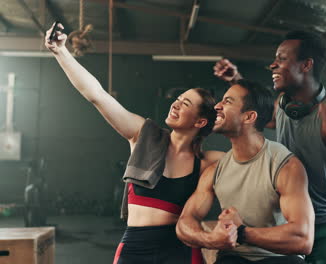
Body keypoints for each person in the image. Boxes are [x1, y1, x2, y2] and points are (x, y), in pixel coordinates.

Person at [45, 23, 224, 264]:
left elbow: (254, 157)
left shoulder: (207, 161)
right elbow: (97, 95)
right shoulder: (144, 136)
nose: (176, 104)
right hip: (135, 246)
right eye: (178, 99)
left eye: (186, 103)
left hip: (179, 250)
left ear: (201, 121)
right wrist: (61, 52)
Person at [213, 31, 326, 264]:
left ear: (306, 65)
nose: (273, 64)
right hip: (287, 226)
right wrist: (235, 80)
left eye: (282, 59)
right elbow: (255, 114)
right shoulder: (284, 106)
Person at [176, 79, 314, 264]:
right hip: (234, 258)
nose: (217, 106)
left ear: (249, 117)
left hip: (278, 259)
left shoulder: (286, 166)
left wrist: (241, 233)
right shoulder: (215, 171)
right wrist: (212, 239)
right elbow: (184, 223)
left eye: (227, 101)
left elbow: (303, 239)